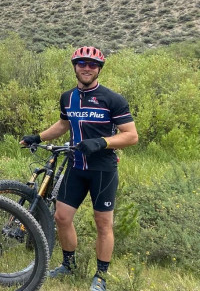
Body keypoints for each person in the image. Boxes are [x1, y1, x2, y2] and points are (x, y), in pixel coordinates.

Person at [21, 46, 138, 291]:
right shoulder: (68, 97)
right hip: (76, 165)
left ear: (99, 69)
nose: (87, 68)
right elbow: (64, 124)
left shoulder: (112, 99)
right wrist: (38, 137)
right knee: (61, 217)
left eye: (92, 65)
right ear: (75, 66)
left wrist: (102, 142)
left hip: (103, 170)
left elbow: (131, 136)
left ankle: (101, 277)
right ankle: (68, 265)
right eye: (82, 63)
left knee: (102, 223)